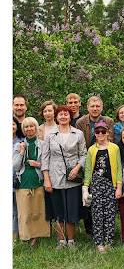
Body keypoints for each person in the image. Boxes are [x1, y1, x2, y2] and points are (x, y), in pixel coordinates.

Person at [41, 105, 87, 248]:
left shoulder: (78, 134)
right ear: (56, 117)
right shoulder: (50, 135)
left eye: (66, 114)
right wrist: (47, 179)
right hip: (55, 178)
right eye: (60, 114)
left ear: (70, 116)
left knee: (72, 211)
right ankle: (61, 241)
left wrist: (77, 168)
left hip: (73, 178)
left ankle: (71, 241)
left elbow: (84, 154)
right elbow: (45, 158)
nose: (63, 116)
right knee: (58, 211)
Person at [82, 120, 123, 251]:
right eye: (98, 132)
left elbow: (118, 169)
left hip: (110, 184)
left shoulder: (114, 148)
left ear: (108, 133)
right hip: (96, 184)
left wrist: (119, 187)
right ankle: (99, 242)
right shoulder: (92, 150)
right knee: (97, 213)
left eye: (103, 131)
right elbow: (88, 169)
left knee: (110, 214)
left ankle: (109, 241)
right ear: (94, 133)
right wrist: (85, 187)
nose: (100, 134)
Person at [13, 117, 50, 245]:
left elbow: (47, 164)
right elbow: (15, 166)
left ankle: (36, 237)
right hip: (23, 182)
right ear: (23, 129)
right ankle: (25, 237)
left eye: (32, 126)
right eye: (26, 127)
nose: (29, 129)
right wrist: (22, 152)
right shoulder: (19, 145)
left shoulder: (43, 144)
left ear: (35, 127)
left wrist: (37, 164)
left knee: (37, 211)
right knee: (24, 213)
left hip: (38, 181)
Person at [13, 120, 21, 241]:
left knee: (16, 211)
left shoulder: (21, 142)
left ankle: (14, 238)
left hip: (15, 180)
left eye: (13, 124)